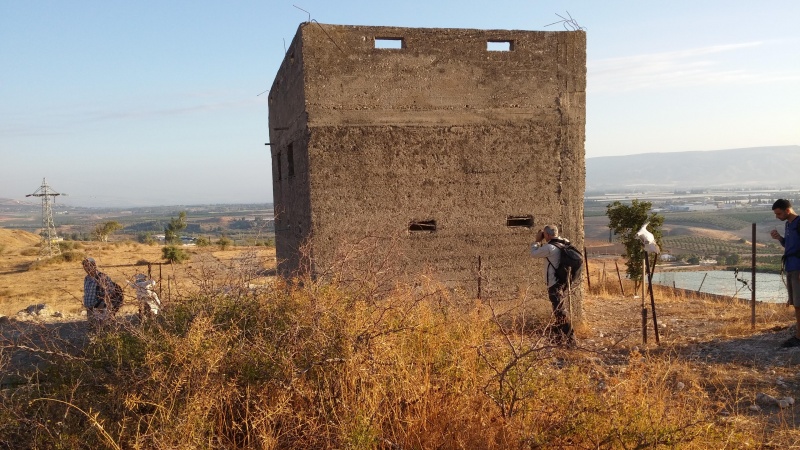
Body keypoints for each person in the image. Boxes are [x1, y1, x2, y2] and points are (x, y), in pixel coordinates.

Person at [530, 224, 576, 345]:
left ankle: (571, 340)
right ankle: (559, 338)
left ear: (548, 235)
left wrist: (537, 241)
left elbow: (533, 253)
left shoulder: (550, 247)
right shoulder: (564, 242)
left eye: (545, 234)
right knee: (558, 310)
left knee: (560, 311)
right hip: (562, 281)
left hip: (553, 283)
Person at [770, 199, 800, 348]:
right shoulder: (788, 224)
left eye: (779, 213)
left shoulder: (799, 223)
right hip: (791, 266)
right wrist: (780, 238)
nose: (777, 217)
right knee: (796, 304)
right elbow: (789, 244)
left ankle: (799, 337)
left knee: (799, 304)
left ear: (787, 210)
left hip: (798, 268)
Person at [82, 257, 118, 332]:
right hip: (90, 309)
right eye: (85, 266)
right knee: (92, 329)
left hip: (100, 308)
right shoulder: (86, 278)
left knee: (103, 328)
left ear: (94, 265)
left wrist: (105, 306)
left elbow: (111, 292)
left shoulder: (102, 277)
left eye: (88, 265)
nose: (87, 268)